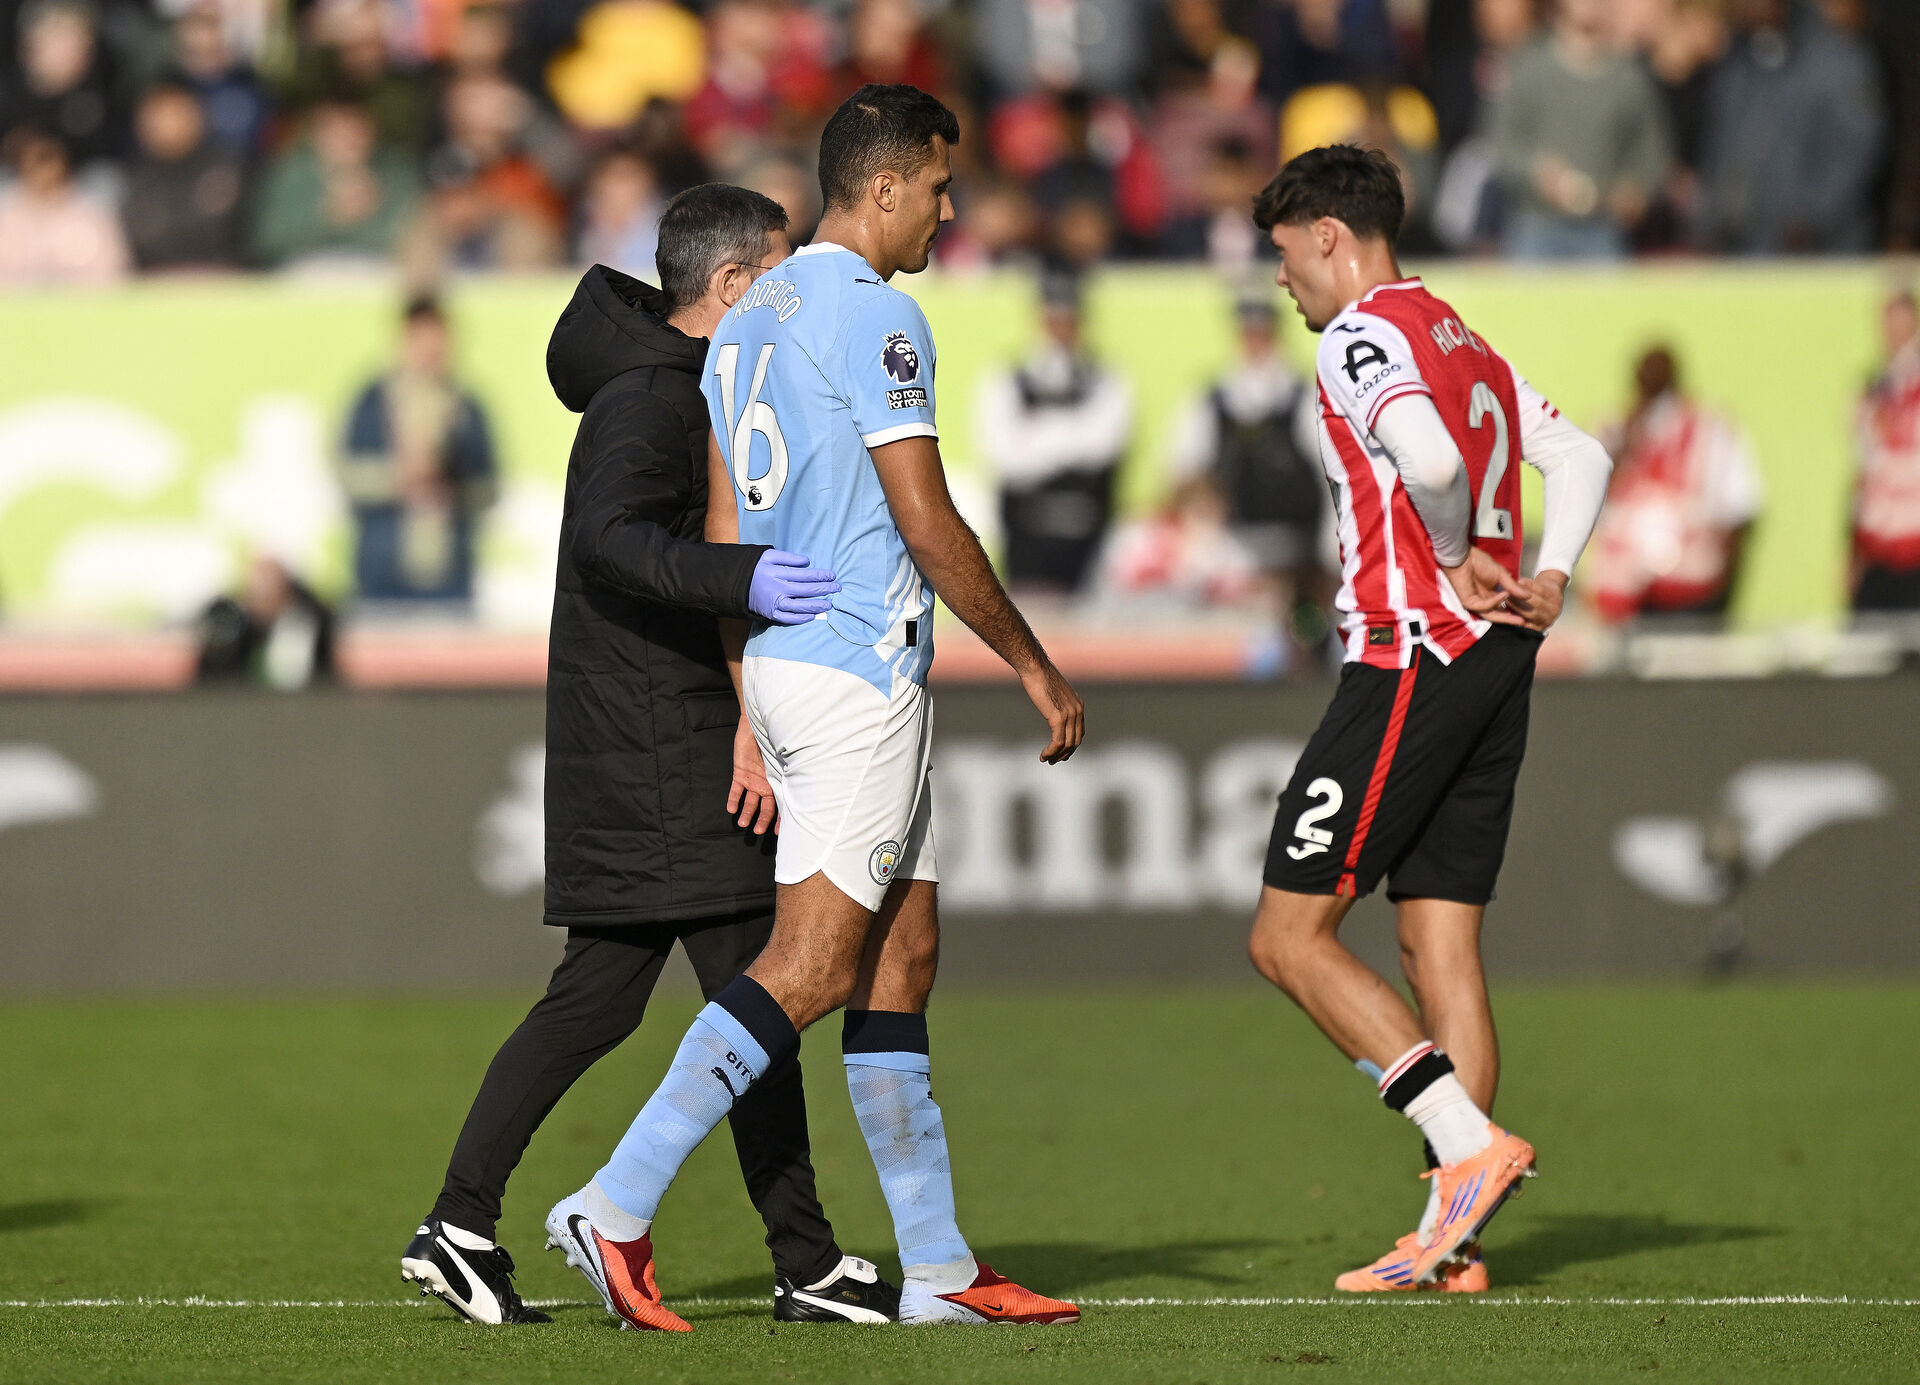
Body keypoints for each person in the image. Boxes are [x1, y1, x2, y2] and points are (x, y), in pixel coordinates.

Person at [546, 82, 1086, 1333]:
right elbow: (925, 518)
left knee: (904, 952)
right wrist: (1032, 661)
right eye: (939, 187)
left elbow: (726, 523)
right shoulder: (876, 314)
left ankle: (939, 1265)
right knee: (813, 964)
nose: (948, 211)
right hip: (856, 669)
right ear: (884, 186)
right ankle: (613, 1203)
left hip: (798, 664)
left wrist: (749, 695)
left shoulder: (748, 317)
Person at [401, 184, 896, 1327]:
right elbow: (610, 539)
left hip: (650, 738)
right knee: (741, 998)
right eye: (778, 272)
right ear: (731, 284)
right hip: (661, 747)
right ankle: (801, 1259)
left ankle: (466, 1224)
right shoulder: (654, 396)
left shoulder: (679, 383)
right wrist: (744, 577)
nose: (791, 292)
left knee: (658, 999)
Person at [1244, 145, 1612, 1293]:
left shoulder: (1360, 336)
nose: (1283, 282)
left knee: (1287, 935)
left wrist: (1451, 556)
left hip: (1413, 652)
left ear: (1328, 236)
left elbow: (1432, 461)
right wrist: (1552, 573)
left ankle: (1467, 1148)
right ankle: (1461, 1241)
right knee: (1439, 939)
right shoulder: (1459, 334)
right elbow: (1581, 454)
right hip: (1499, 658)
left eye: (1284, 256)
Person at [1164, 286, 1331, 667]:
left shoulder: (1304, 397)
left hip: (1296, 555)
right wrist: (1205, 505)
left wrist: (1326, 554)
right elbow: (1180, 475)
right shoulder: (1210, 401)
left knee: (1305, 635)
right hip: (1230, 550)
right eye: (1248, 332)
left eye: (1262, 332)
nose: (1256, 342)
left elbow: (1331, 476)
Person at [976, 266, 1134, 595]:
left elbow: (1104, 447)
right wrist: (1075, 431)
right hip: (1025, 542)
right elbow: (1003, 458)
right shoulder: (1004, 380)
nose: (1061, 329)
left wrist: (1036, 434)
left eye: (1069, 319)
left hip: (1090, 544)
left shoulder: (1108, 380)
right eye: (1053, 318)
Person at [339, 296, 498, 606]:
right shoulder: (372, 402)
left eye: (436, 341)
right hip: (381, 574)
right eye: (421, 340)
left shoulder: (466, 408)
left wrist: (452, 485)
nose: (430, 351)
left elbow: (488, 486)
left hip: (451, 575)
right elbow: (347, 473)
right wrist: (398, 477)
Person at [1587, 345, 1762, 624]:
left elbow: (1740, 510)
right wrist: (1628, 441)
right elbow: (1588, 502)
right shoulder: (1613, 428)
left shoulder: (1711, 430)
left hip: (1690, 593)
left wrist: (1724, 594)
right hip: (1621, 597)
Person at [1489, 0, 1670, 259]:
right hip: (1535, 226)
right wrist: (1537, 171)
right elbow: (1501, 142)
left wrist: (1637, 190)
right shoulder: (1530, 66)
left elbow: (1652, 152)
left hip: (1603, 228)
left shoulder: (1628, 76)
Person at [1852, 290, 1920, 611]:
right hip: (1879, 549)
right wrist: (1853, 550)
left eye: (1901, 324)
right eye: (1888, 324)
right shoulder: (1874, 391)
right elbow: (1863, 475)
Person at [194, 556, 336, 689]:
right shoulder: (232, 627)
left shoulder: (309, 624)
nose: (263, 594)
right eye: (256, 590)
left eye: (270, 587)